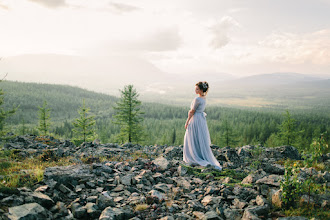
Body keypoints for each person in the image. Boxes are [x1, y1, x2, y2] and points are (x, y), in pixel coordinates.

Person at [183, 81, 222, 170]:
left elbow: (192, 111)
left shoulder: (197, 99)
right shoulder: (204, 98)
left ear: (201, 90)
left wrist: (187, 121)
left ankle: (193, 156)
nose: (195, 90)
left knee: (191, 136)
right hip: (201, 119)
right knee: (199, 137)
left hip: (195, 119)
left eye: (197, 89)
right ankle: (199, 153)